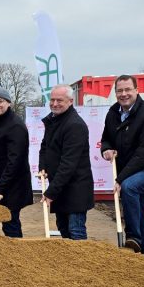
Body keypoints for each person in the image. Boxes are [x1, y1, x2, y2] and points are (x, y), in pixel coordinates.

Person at [100, 74, 144, 260]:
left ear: (136, 91)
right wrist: (106, 149)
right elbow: (106, 138)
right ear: (115, 93)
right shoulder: (113, 113)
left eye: (127, 90)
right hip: (131, 170)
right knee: (138, 211)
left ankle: (133, 237)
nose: (124, 94)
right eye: (119, 91)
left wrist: (120, 179)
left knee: (130, 187)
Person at [38, 85, 94, 239]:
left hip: (75, 189)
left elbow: (68, 164)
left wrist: (51, 192)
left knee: (75, 231)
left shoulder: (75, 125)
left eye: (59, 100)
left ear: (70, 101)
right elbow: (45, 146)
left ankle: (81, 256)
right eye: (52, 100)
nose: (54, 104)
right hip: (60, 188)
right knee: (63, 230)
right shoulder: (54, 121)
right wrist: (43, 166)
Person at [0, 86, 33, 238]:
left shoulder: (15, 126)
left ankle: (17, 249)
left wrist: (0, 189)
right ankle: (14, 248)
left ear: (8, 103)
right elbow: (4, 151)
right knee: (9, 221)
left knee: (10, 221)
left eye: (0, 101)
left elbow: (15, 160)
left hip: (15, 183)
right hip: (7, 180)